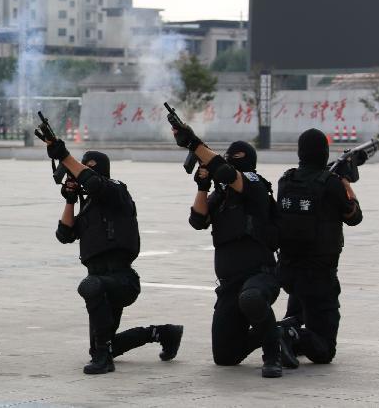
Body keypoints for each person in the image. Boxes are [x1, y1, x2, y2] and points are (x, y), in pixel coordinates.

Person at [46, 142, 183, 374]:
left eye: (89, 166)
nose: (84, 171)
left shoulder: (116, 191)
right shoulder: (89, 206)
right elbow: (64, 235)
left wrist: (65, 157)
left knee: (91, 287)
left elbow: (95, 183)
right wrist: (70, 199)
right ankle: (162, 333)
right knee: (103, 344)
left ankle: (104, 361)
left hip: (121, 279)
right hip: (99, 280)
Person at [184, 140, 283, 378]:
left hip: (260, 276)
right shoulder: (222, 195)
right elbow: (198, 220)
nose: (231, 160)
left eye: (236, 157)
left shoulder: (255, 184)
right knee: (225, 356)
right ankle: (279, 331)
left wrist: (193, 143)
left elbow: (227, 172)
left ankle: (273, 355)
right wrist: (202, 186)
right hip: (229, 285)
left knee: (251, 298)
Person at [275, 128, 362, 367]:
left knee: (299, 307)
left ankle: (288, 330)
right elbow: (354, 216)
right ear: (324, 152)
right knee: (325, 351)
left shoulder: (286, 180)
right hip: (319, 275)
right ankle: (286, 332)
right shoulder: (331, 184)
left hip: (288, 271)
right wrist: (345, 181)